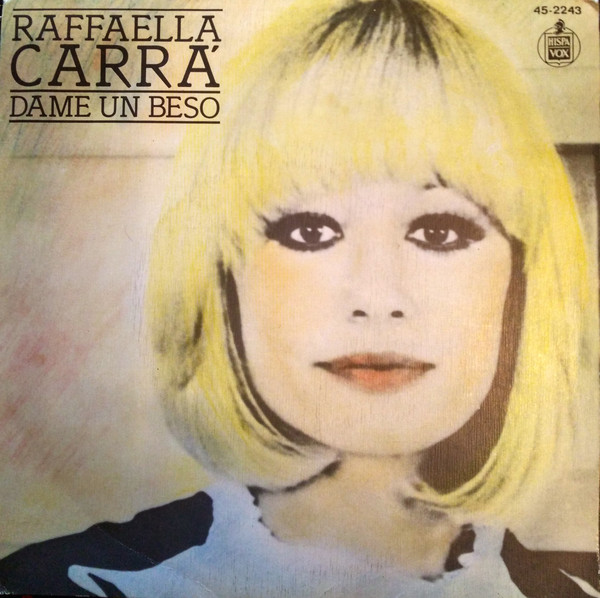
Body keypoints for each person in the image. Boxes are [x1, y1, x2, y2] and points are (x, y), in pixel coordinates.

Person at [0, 0, 597, 596]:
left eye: (439, 231)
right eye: (310, 231)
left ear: (520, 282)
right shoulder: (69, 582)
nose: (376, 296)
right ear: (223, 277)